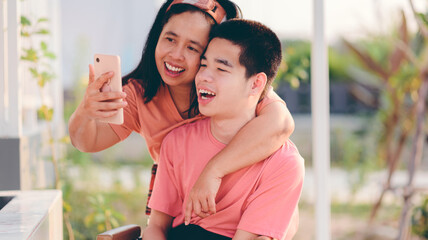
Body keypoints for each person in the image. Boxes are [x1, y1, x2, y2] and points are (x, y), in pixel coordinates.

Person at [68, 0, 295, 217]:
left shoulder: (234, 92)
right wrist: (86, 112)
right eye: (170, 39)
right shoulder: (138, 95)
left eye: (192, 48)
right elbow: (87, 141)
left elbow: (281, 124)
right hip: (176, 217)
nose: (176, 55)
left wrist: (213, 171)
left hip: (240, 212)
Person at [144, 19, 305, 240]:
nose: (203, 77)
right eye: (203, 65)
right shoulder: (176, 141)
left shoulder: (283, 163)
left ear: (256, 84)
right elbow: (156, 227)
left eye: (220, 68)